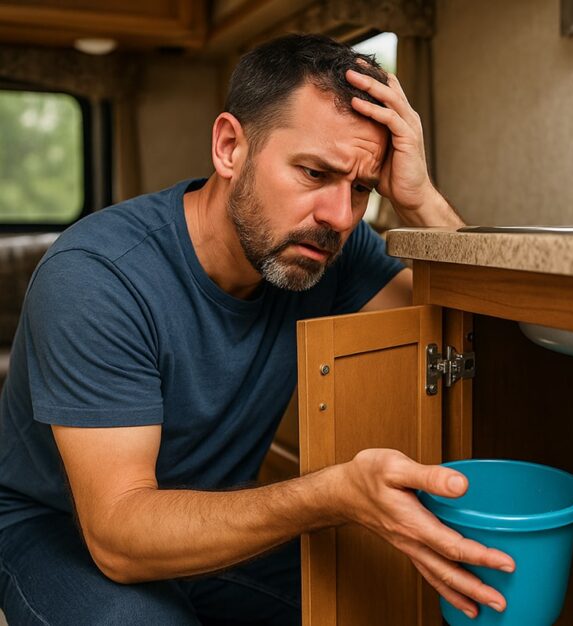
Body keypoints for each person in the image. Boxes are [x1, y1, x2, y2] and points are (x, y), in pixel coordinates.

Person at [0, 34, 514, 624]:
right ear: (229, 147)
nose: (339, 217)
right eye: (313, 172)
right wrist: (326, 495)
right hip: (66, 532)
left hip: (220, 521)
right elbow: (119, 537)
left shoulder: (325, 250)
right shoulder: (98, 278)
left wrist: (420, 201)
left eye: (362, 190)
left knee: (392, 597)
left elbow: (469, 334)